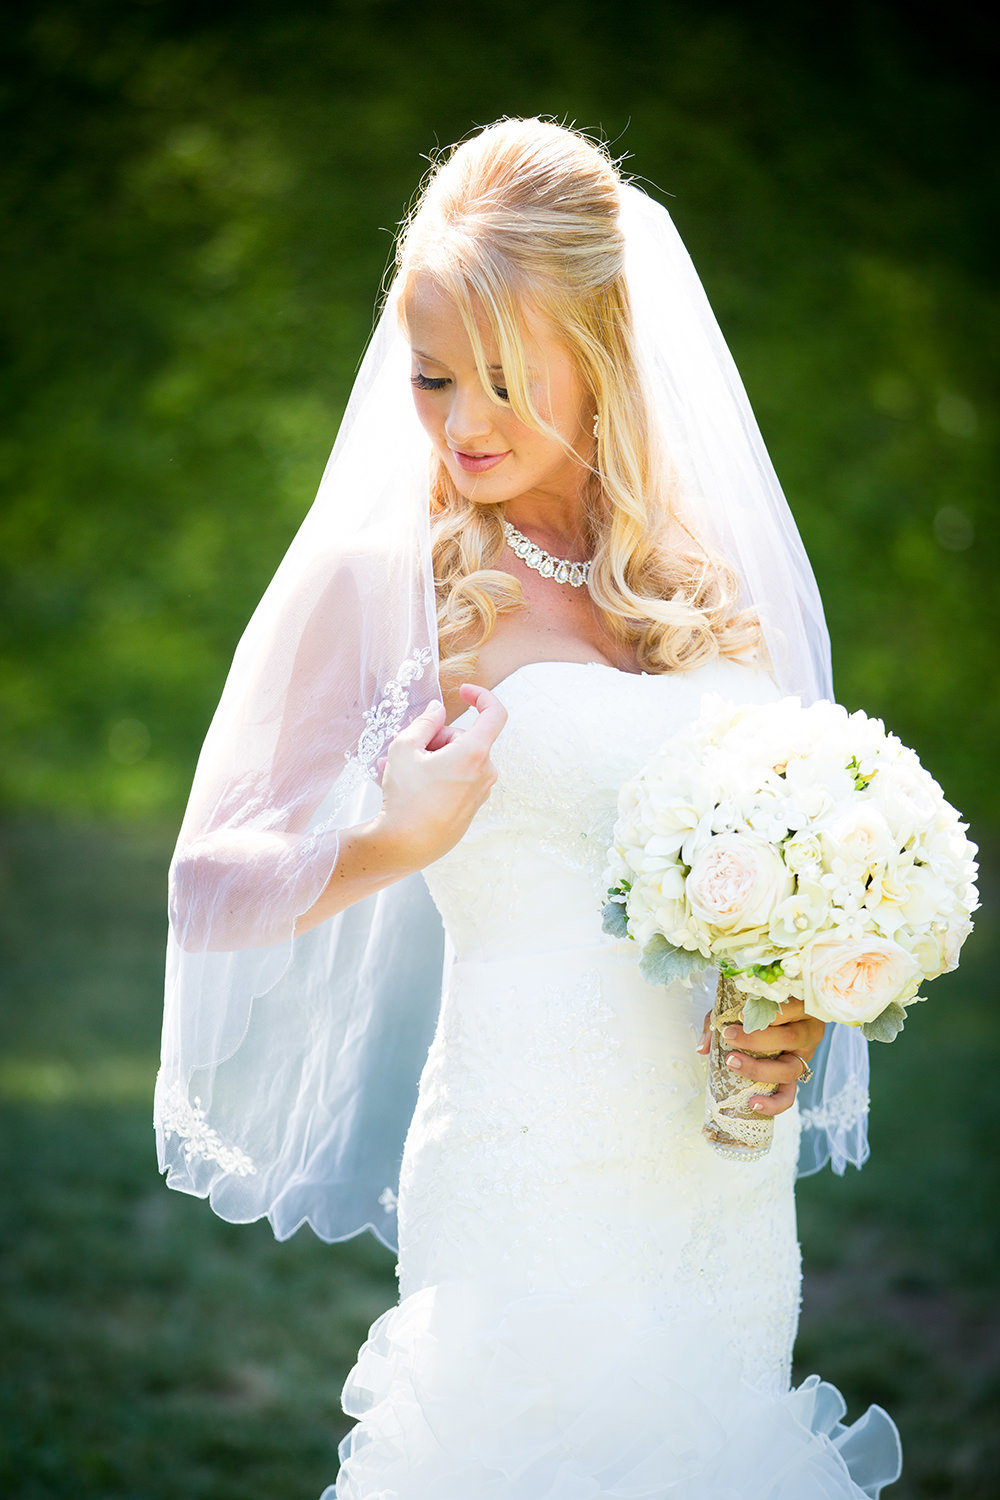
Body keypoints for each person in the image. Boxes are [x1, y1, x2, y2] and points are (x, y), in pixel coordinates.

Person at [156, 118, 902, 1496]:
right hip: (524, 1161)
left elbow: (787, 850)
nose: (463, 424)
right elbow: (206, 890)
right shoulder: (393, 585)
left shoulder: (702, 570)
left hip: (720, 1180)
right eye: (435, 378)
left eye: (504, 379)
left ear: (606, 352)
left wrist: (798, 1001)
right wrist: (397, 837)